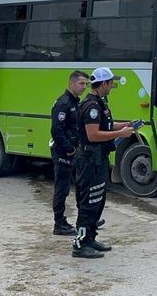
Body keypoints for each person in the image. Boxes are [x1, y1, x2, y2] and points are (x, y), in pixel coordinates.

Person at [72, 67, 136, 258]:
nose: (112, 86)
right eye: (111, 83)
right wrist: (120, 134)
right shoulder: (91, 106)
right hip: (89, 160)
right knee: (88, 202)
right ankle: (80, 245)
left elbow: (106, 125)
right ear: (104, 83)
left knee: (97, 200)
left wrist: (126, 125)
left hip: (98, 159)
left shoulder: (100, 102)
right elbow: (93, 135)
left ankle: (90, 238)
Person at [50, 71, 89, 236]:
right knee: (62, 188)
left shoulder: (76, 102)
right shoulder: (63, 103)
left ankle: (84, 219)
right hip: (63, 152)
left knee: (80, 185)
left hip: (75, 150)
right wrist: (69, 149)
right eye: (81, 83)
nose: (84, 87)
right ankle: (59, 223)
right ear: (72, 84)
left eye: (86, 84)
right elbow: (56, 131)